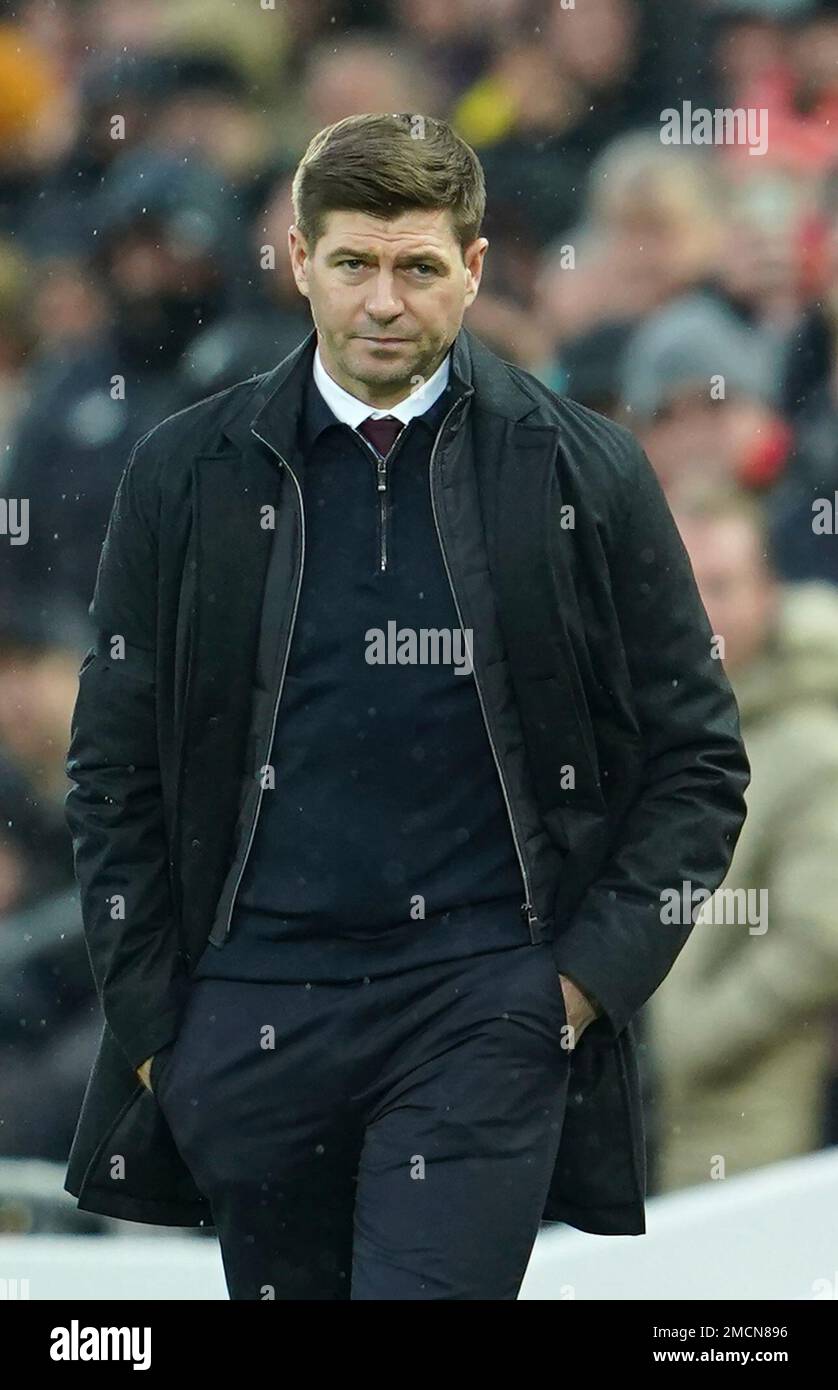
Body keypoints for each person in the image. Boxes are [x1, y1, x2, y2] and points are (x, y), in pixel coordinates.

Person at [62, 113, 750, 1300]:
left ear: (474, 269)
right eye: (355, 264)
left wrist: (581, 986)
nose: (385, 300)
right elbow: (113, 767)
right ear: (298, 259)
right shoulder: (185, 473)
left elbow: (698, 762)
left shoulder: (580, 470)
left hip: (481, 1005)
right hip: (248, 1018)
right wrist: (162, 1026)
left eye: (419, 266)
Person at [646, 483, 838, 1191]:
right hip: (634, 1128)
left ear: (768, 597)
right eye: (683, 585)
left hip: (747, 1134)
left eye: (722, 586)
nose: (702, 613)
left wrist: (685, 1035)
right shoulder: (643, 733)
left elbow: (819, 939)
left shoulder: (812, 748)